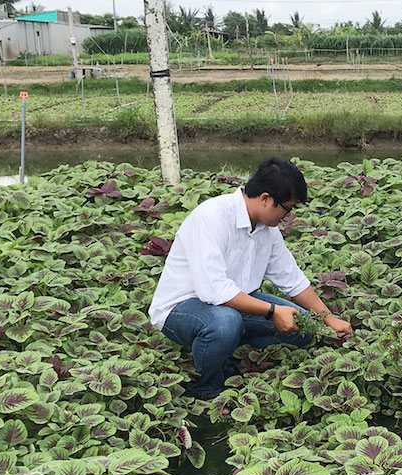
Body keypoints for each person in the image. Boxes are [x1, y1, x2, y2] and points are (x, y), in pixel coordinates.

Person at [149, 156, 353, 399]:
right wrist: (271, 311)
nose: (288, 216)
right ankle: (208, 388)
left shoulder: (268, 230)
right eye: (287, 208)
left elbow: (292, 279)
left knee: (304, 326)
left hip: (238, 303)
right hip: (183, 308)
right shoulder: (211, 218)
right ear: (265, 198)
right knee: (225, 324)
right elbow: (213, 291)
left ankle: (230, 352)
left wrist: (329, 319)